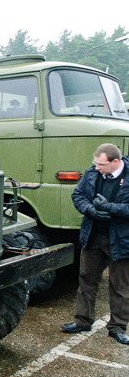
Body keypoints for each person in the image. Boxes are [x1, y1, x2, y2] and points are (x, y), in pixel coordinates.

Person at [61, 143, 129, 345]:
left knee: (120, 286)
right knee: (86, 280)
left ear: (115, 162)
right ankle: (82, 321)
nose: (97, 167)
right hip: (93, 236)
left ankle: (118, 327)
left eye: (101, 164)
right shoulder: (93, 173)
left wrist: (111, 208)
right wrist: (90, 209)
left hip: (121, 239)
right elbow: (78, 195)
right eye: (95, 163)